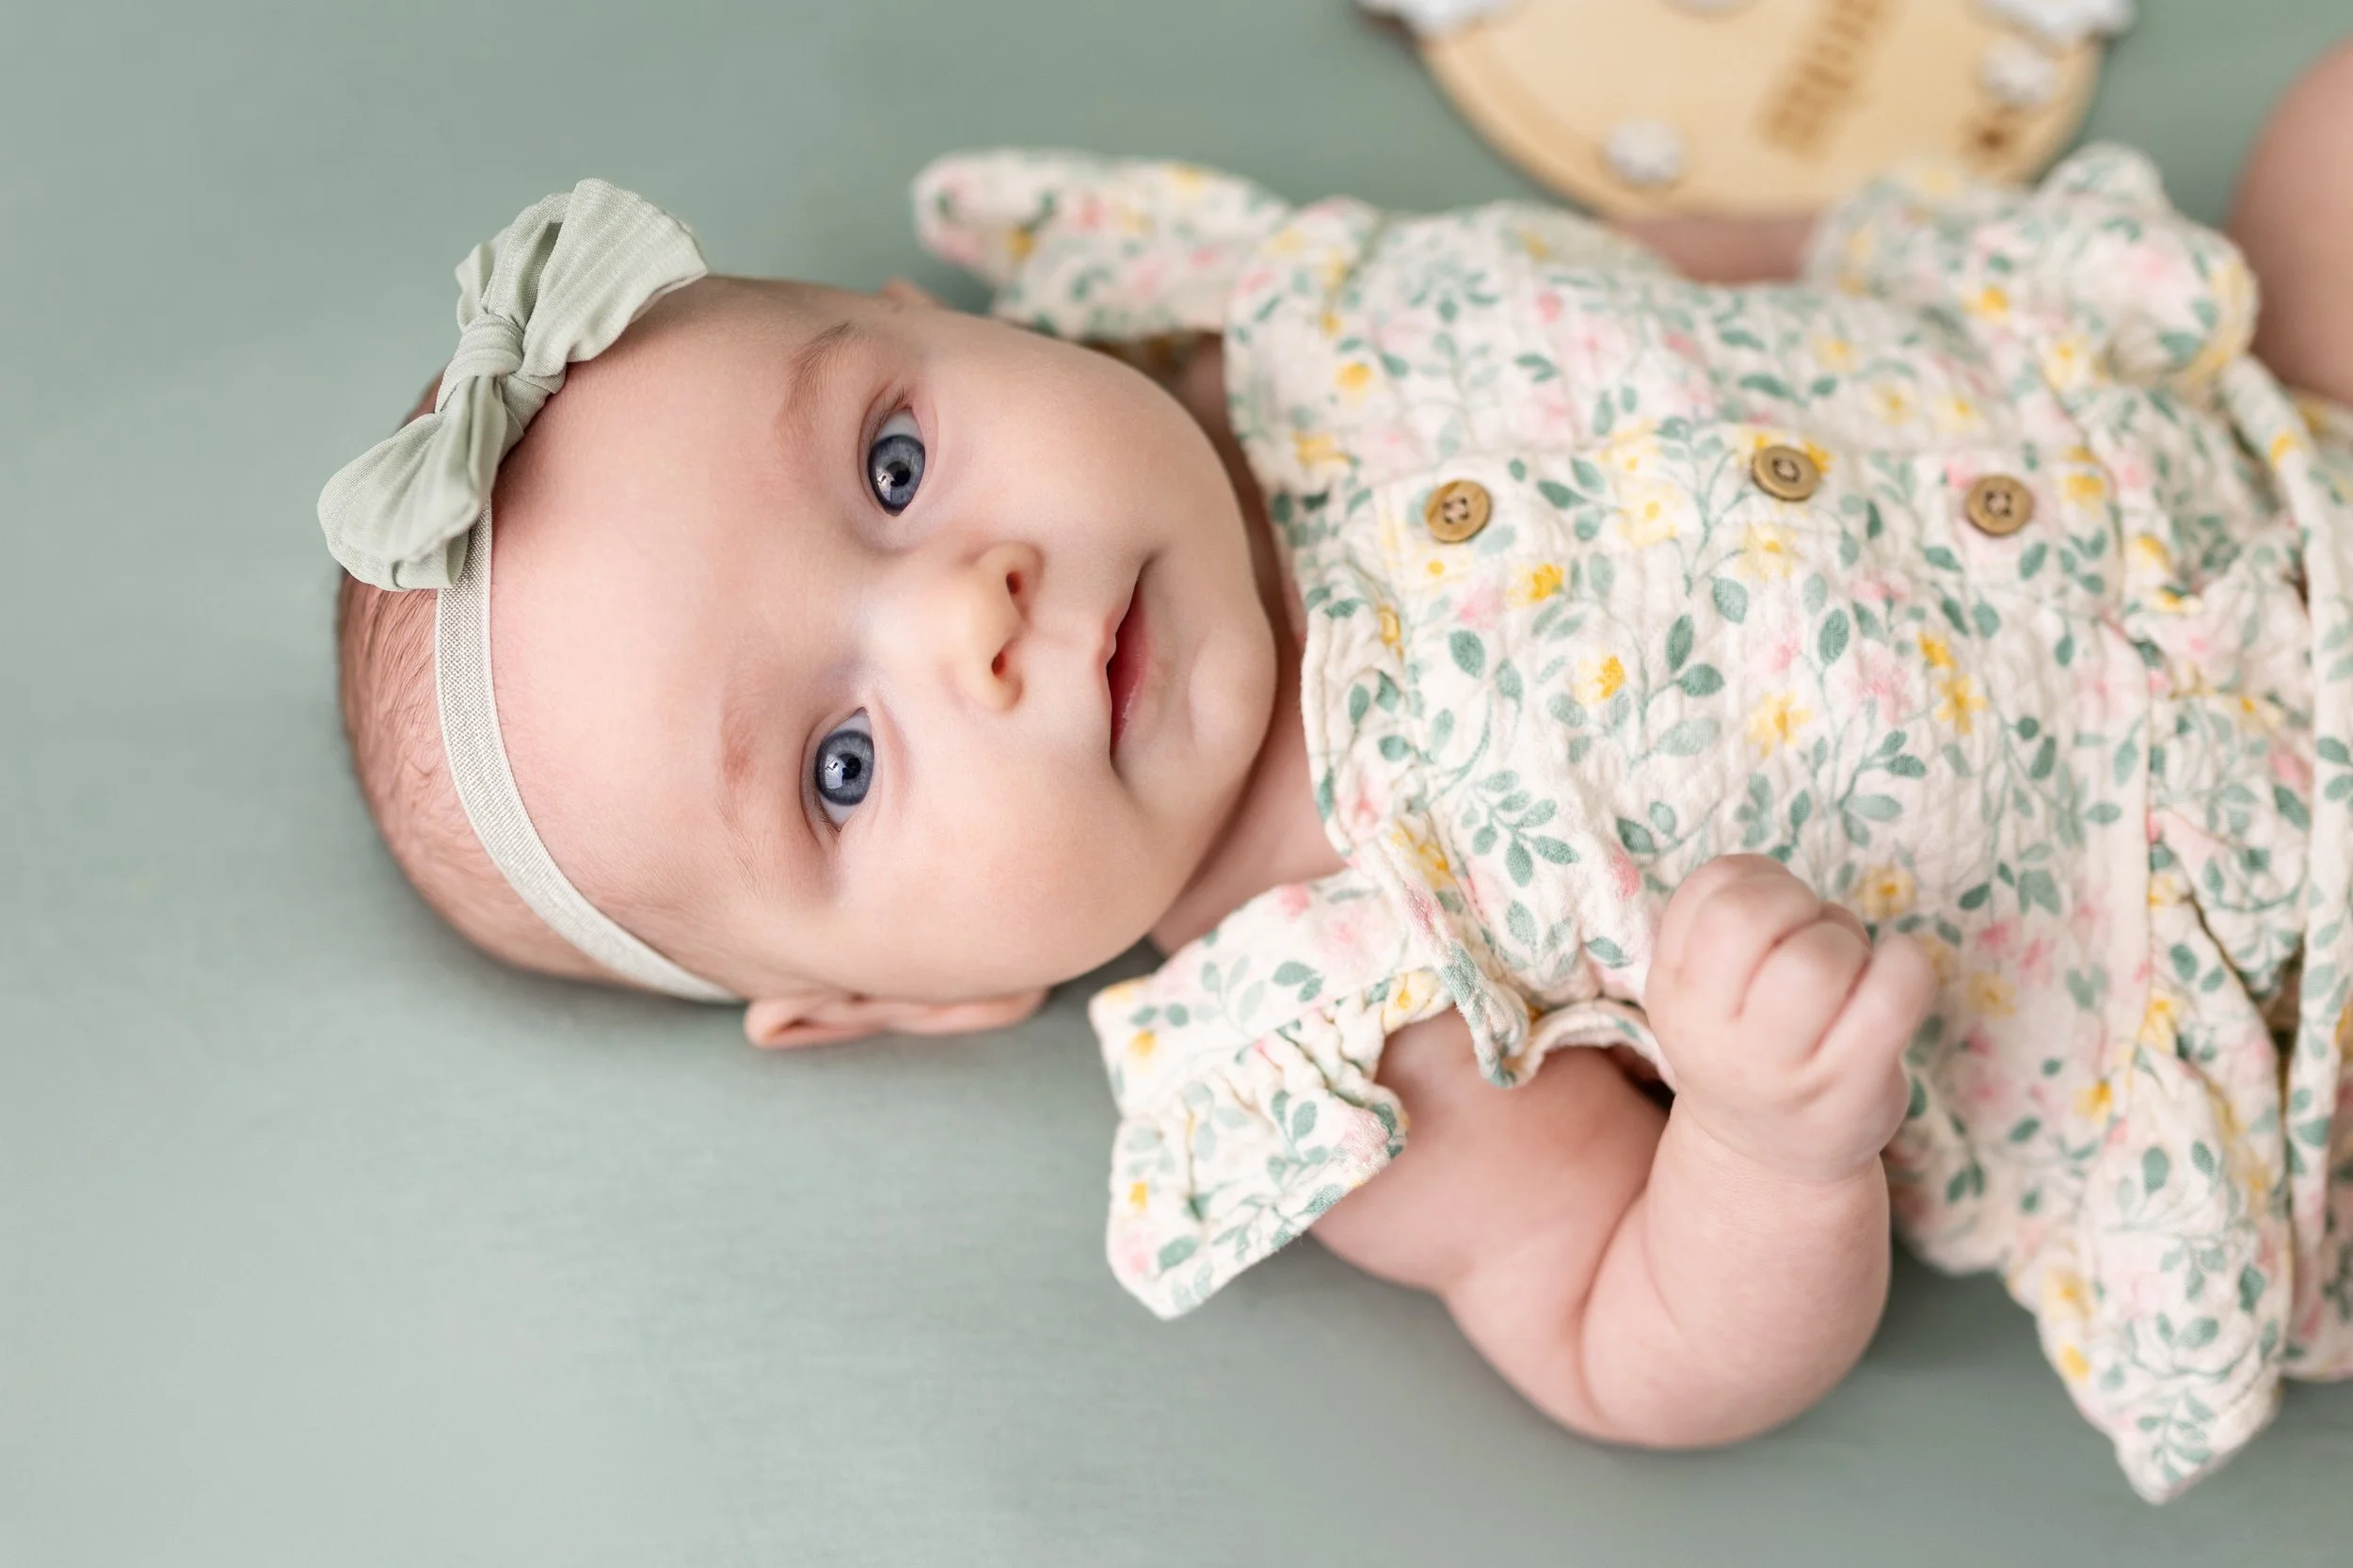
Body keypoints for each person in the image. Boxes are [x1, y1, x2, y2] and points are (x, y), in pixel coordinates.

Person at [320, 42, 2353, 1500]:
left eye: (890, 466)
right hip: (2249, 925)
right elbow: (1616, 1339)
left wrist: (1861, 259)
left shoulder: (1281, 315)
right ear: (904, 999)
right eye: (843, 764)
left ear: (926, 319)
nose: (969, 607)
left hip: (2241, 431)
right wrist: (1765, 1135)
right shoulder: (1341, 1007)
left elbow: (1682, 280)